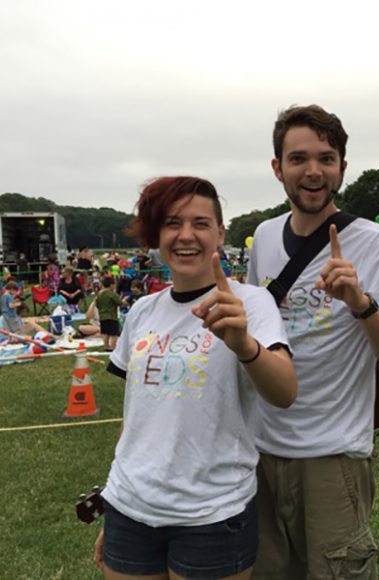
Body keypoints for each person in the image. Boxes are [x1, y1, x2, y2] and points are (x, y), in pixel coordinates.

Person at [245, 104, 379, 579]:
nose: (313, 171)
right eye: (298, 158)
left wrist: (359, 302)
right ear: (278, 167)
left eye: (326, 157)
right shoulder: (262, 237)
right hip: (259, 452)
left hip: (332, 457)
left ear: (343, 165)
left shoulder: (375, 241)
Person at [94, 176, 297, 579]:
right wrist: (111, 505)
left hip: (212, 514)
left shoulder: (250, 303)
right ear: (158, 234)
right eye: (172, 223)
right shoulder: (142, 312)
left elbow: (285, 392)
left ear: (220, 233)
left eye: (200, 223)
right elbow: (137, 417)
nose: (186, 235)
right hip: (129, 508)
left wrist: (245, 345)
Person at [96, 276, 124, 351]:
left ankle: (106, 346)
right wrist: (124, 300)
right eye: (114, 284)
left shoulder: (100, 294)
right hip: (112, 316)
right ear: (111, 285)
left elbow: (97, 304)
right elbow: (119, 302)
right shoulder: (111, 294)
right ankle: (113, 346)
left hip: (102, 317)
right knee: (114, 333)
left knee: (105, 332)